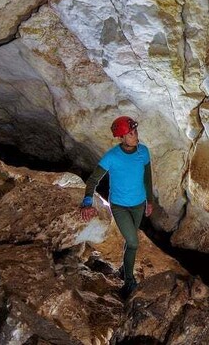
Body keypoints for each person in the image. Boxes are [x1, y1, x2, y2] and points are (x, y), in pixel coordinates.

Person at [80, 116, 154, 299]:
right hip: (119, 206)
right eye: (130, 133)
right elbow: (93, 179)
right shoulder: (112, 156)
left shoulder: (143, 152)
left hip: (138, 204)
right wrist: (87, 201)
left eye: (135, 131)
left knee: (130, 242)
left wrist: (149, 200)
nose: (135, 135)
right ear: (121, 137)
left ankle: (123, 268)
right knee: (134, 242)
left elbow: (147, 178)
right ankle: (129, 281)